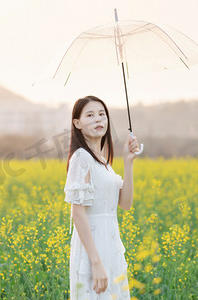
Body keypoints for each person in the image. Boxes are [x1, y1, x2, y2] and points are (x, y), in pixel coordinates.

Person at [64, 95, 139, 299]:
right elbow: (78, 214)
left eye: (102, 114)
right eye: (90, 115)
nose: (98, 120)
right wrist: (95, 263)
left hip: (111, 245)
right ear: (77, 123)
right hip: (92, 249)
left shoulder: (103, 162)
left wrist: (128, 162)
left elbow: (125, 203)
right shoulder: (81, 158)